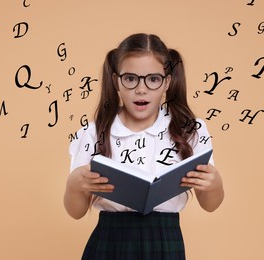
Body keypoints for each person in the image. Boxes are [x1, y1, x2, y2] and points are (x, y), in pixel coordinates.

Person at [64, 33, 224, 259]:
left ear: (167, 81)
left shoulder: (190, 129)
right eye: (130, 78)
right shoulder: (94, 132)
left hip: (164, 240)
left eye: (153, 79)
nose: (141, 89)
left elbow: (210, 205)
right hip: (110, 240)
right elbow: (76, 212)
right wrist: (74, 183)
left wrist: (214, 183)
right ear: (116, 81)